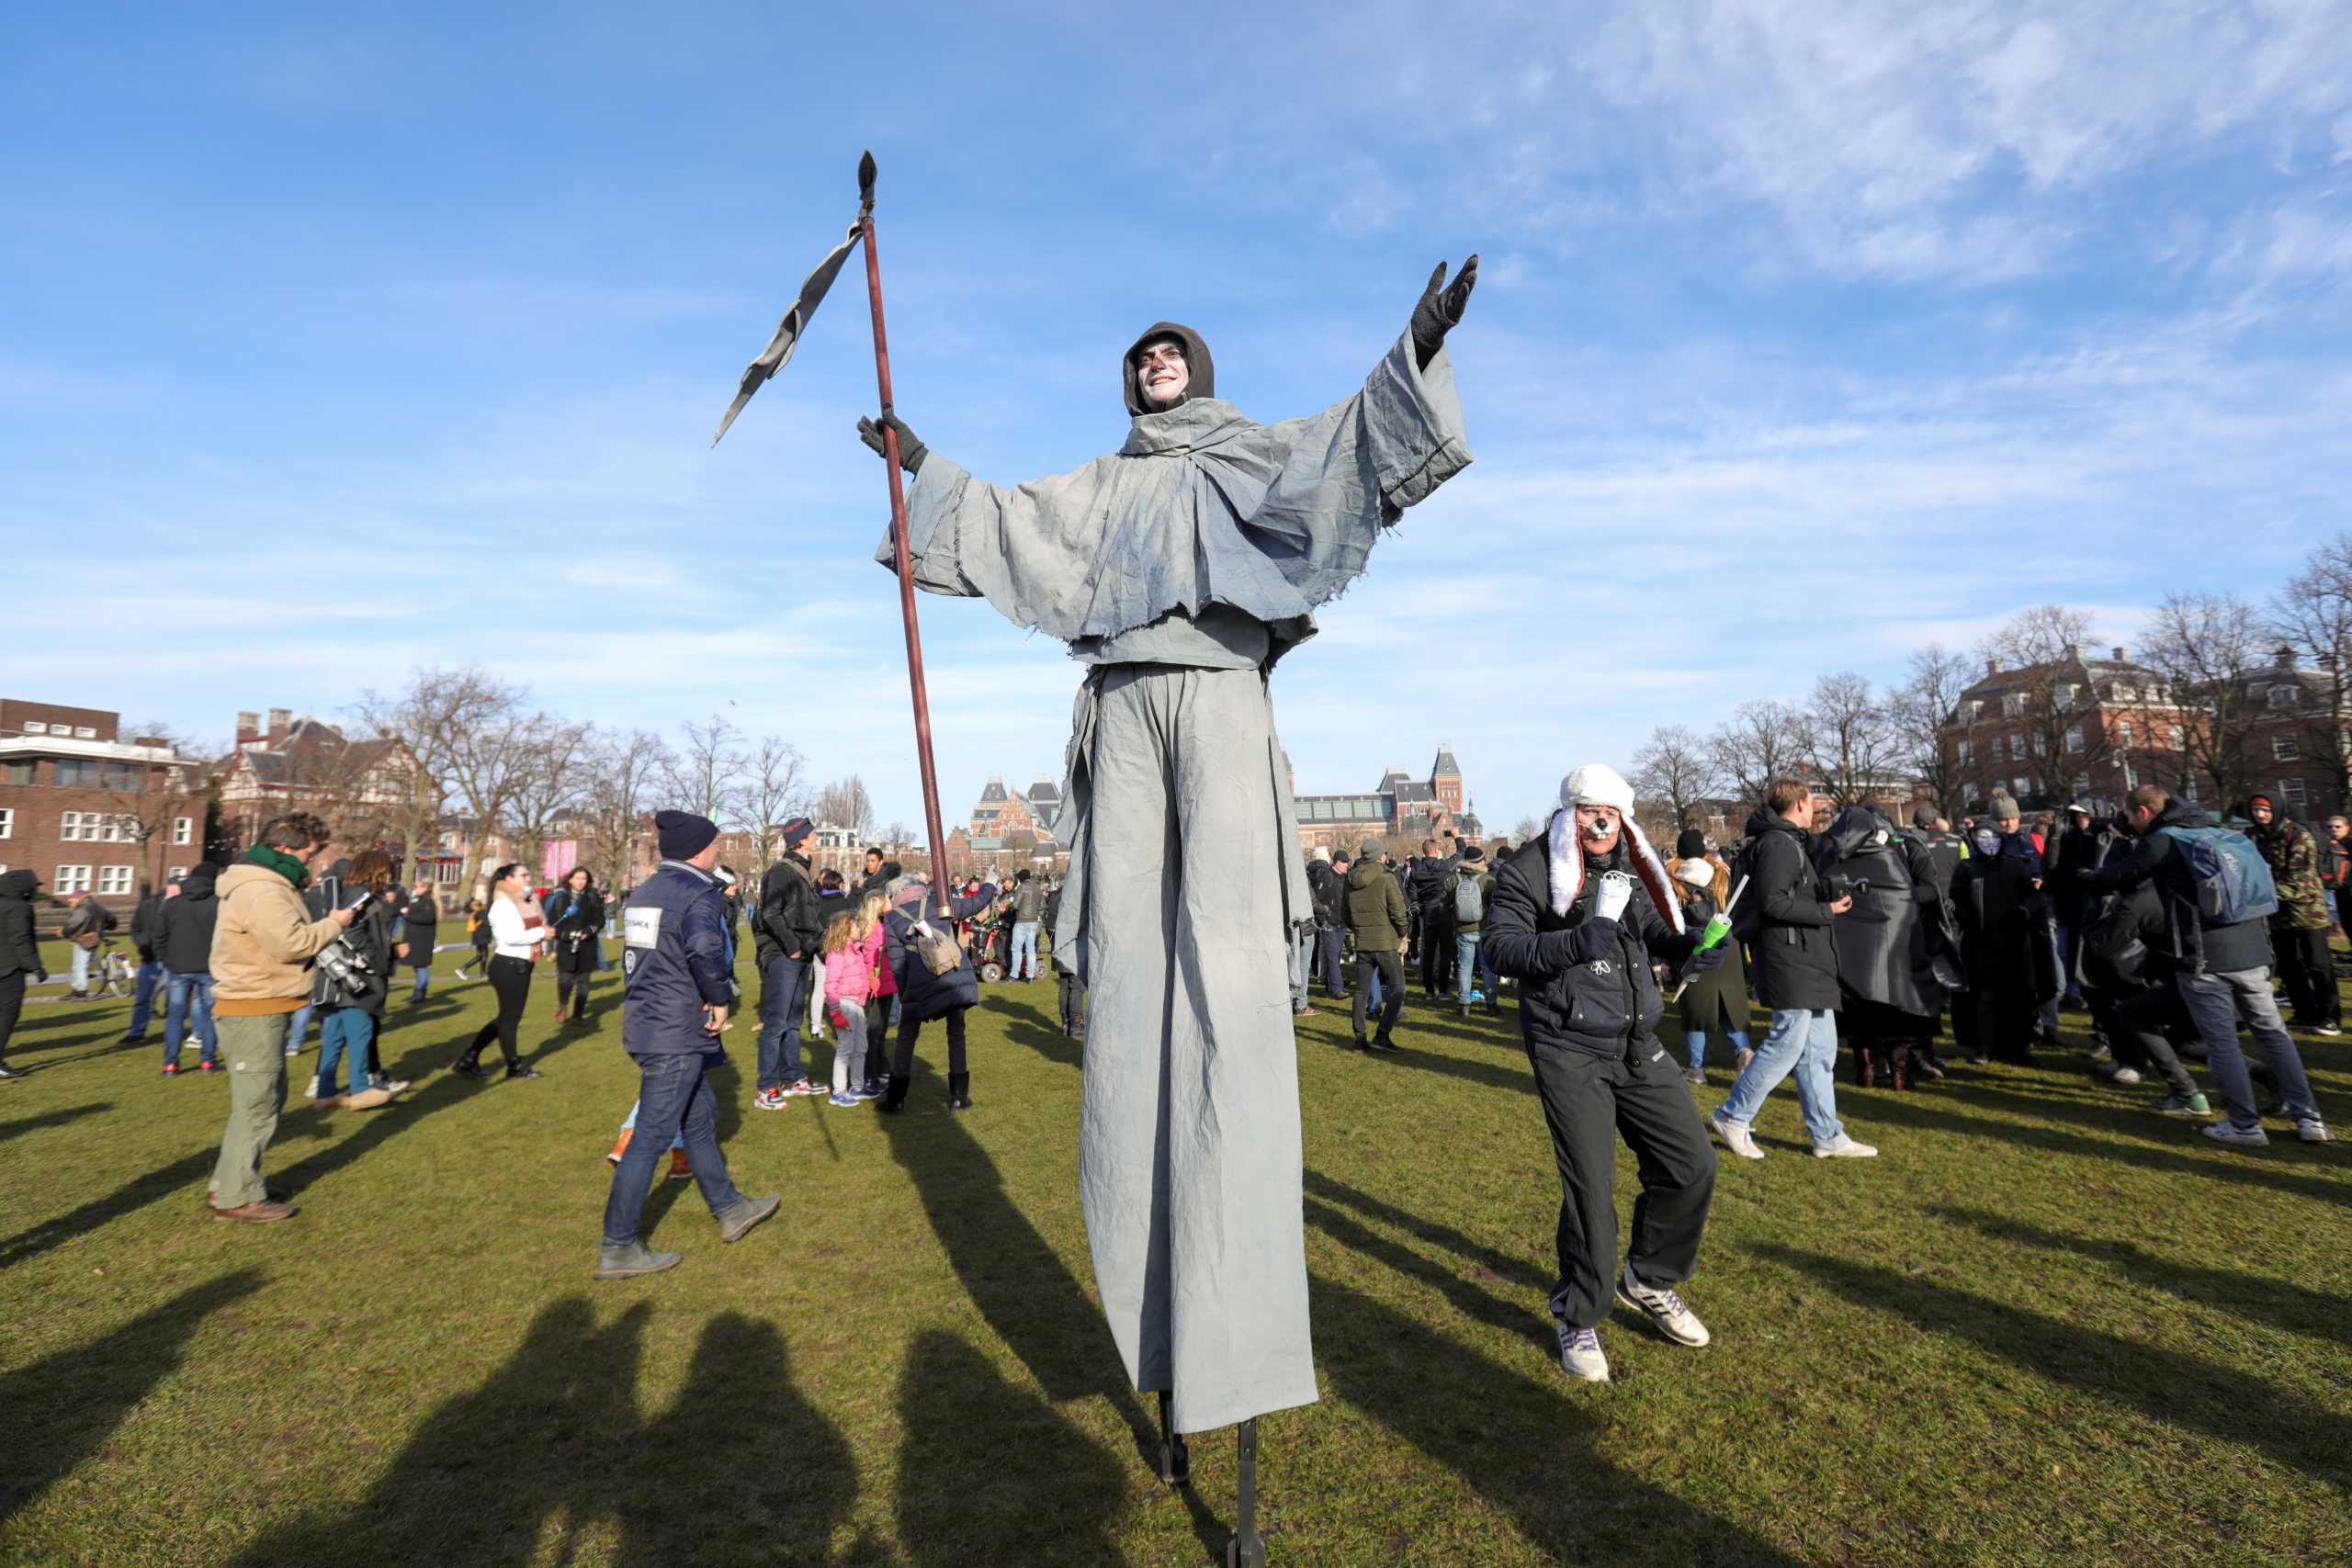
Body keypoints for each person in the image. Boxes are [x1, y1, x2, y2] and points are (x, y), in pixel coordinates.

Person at [863, 255, 1477, 1467]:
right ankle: (1157, 1316)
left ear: (1199, 369)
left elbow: (1352, 445)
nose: (1155, 366)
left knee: (1230, 975)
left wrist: (1410, 350)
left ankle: (1234, 1321)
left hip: (1219, 690)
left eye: (1170, 353)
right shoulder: (1101, 482)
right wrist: (924, 465)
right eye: (1140, 358)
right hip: (1123, 703)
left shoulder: (1251, 450)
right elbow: (1008, 519)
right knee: (1136, 981)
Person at [1482, 763, 1724, 1382]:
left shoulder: (1628, 863)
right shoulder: (1531, 867)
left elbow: (1647, 929)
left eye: (1612, 814)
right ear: (1571, 813)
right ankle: (1578, 1311)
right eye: (1591, 812)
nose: (1600, 823)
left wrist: (1691, 943)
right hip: (1567, 1044)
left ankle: (1649, 1277)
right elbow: (1501, 948)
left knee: (1692, 1163)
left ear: (1623, 818)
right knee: (1592, 1189)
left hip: (1634, 1040)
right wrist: (1573, 942)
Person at [2081, 784, 2328, 1146]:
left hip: (2205, 955)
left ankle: (2244, 1125)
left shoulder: (2163, 839)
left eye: (2132, 817)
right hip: (2255, 951)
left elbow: (2118, 879)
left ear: (2143, 813)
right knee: (2275, 1035)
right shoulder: (2221, 832)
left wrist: (2100, 861)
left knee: (2222, 1042)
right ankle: (2309, 1117)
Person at [595, 809, 779, 1279]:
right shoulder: (697, 892)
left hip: (648, 1023)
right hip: (675, 1030)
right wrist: (719, 999)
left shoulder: (646, 892)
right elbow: (704, 949)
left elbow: (640, 960)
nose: (718, 851)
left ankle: (730, 1207)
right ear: (699, 849)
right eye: (715, 844)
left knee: (699, 1121)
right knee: (651, 1138)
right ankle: (618, 1246)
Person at [1708, 777, 1876, 1161]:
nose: (1816, 806)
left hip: (1807, 960)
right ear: (1799, 803)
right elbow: (1773, 902)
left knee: (1820, 1051)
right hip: (1790, 960)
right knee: (1786, 1044)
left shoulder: (1786, 841)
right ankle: (1733, 1115)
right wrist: (1825, 910)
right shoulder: (1779, 844)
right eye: (1813, 799)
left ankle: (1827, 1134)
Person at [204, 813, 356, 1222]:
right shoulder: (261, 890)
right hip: (254, 1007)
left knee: (260, 1102)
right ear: (285, 849)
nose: (311, 862)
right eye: (309, 853)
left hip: (261, 1005)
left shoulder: (265, 884)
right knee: (257, 1105)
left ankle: (231, 1185)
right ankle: (238, 1197)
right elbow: (291, 944)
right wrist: (334, 924)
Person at [1815, 806, 1951, 1090]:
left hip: (1854, 953)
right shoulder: (1886, 854)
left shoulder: (1831, 854)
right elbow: (1907, 893)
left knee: (1860, 1013)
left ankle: (1867, 1071)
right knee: (1896, 1009)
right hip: (1895, 948)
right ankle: (1899, 1074)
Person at [877, 872, 1000, 1112]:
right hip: (952, 975)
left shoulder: (893, 918)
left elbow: (897, 961)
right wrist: (989, 885)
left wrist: (904, 995)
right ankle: (958, 1097)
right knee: (956, 1034)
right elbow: (975, 904)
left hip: (917, 983)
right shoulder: (939, 901)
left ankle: (896, 1099)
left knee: (905, 1040)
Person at [1950, 795, 2048, 1066]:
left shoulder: (2015, 865)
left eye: (1993, 838)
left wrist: (2024, 913)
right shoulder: (1967, 868)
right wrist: (1967, 917)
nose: (1989, 843)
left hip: (2014, 941)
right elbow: (1956, 899)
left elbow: (2034, 897)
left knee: (2019, 994)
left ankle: (2018, 1045)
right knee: (1983, 996)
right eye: (1983, 839)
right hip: (1980, 942)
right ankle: (1983, 1045)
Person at [311, 849, 402, 1111]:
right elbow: (353, 933)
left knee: (335, 1036)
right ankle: (361, 1088)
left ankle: (325, 1092)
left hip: (337, 976)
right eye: (386, 870)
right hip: (358, 979)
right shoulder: (360, 895)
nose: (389, 876)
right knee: (360, 1032)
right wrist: (376, 961)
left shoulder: (345, 892)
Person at [2246, 794, 2341, 1036]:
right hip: (2278, 915)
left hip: (2309, 913)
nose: (2260, 814)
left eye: (2265, 810)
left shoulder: (2299, 835)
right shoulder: (2257, 837)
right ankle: (2305, 1013)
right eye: (2256, 809)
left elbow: (2300, 880)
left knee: (2318, 965)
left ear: (2276, 810)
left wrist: (2260, 896)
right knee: (2289, 966)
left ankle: (2330, 1016)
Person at [753, 818, 824, 1110]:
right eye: (813, 833)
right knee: (776, 1024)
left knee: (793, 1023)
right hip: (784, 955)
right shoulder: (782, 872)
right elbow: (771, 913)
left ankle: (792, 1077)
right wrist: (793, 947)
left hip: (802, 954)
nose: (817, 836)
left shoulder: (803, 872)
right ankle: (766, 1088)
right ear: (801, 840)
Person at [454, 863, 546, 1080]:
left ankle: (469, 1058)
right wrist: (542, 932)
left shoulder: (522, 902)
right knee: (509, 1019)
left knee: (506, 1018)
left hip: (518, 965)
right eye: (523, 875)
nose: (528, 878)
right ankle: (513, 1065)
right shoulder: (503, 904)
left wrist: (542, 934)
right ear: (508, 879)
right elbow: (510, 937)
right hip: (509, 966)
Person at [1667, 852, 1750, 1086]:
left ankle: (1697, 1069)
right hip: (1726, 953)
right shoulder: (1722, 883)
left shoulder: (1681, 892)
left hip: (1700, 952)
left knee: (1696, 1015)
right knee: (1726, 1010)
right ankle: (1743, 1050)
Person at [157, 862, 223, 1075]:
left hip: (178, 967)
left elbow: (159, 936)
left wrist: (166, 959)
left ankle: (170, 1063)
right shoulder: (219, 904)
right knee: (209, 1014)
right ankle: (207, 1061)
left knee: (175, 1016)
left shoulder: (172, 904)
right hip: (209, 967)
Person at [1345, 839, 1409, 1052]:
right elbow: (1398, 911)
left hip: (1363, 942)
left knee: (1361, 992)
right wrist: (1403, 933)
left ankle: (1359, 1038)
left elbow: (1344, 913)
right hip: (1385, 942)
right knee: (1398, 987)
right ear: (1380, 856)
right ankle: (1382, 1034)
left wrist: (1358, 930)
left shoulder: (1350, 878)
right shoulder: (1386, 878)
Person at [820, 899, 885, 1107]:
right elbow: (831, 985)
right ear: (845, 929)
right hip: (845, 1005)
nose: (859, 928)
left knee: (861, 1046)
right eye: (856, 925)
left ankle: (857, 1087)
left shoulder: (855, 950)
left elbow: (860, 974)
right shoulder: (837, 954)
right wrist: (836, 1011)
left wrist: (870, 983)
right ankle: (838, 1090)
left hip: (856, 1005)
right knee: (846, 1048)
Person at [0, 870, 47, 1079]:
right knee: (8, 1015)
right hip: (9, 970)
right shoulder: (19, 908)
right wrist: (36, 966)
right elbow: (21, 939)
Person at [1442, 843, 1497, 1019]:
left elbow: (1443, 904)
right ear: (1481, 861)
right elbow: (1496, 905)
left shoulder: (1453, 879)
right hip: (1484, 929)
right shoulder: (1488, 880)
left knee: (1465, 967)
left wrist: (1453, 920)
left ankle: (1464, 1004)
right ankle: (1491, 1003)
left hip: (1462, 930)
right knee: (1488, 968)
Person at [547, 866, 606, 1024]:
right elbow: (553, 923)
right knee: (565, 981)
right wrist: (565, 934)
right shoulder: (560, 898)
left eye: (584, 879)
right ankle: (563, 1006)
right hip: (566, 945)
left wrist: (589, 931)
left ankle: (577, 1016)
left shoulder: (593, 897)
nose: (580, 882)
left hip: (587, 945)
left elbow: (600, 921)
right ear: (570, 879)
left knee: (584, 983)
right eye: (577, 878)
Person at [118, 878, 171, 1043]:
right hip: (151, 958)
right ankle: (137, 1032)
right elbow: (135, 928)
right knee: (143, 998)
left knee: (175, 1001)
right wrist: (143, 944)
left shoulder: (181, 905)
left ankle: (175, 1033)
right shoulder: (147, 905)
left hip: (172, 959)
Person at [1043, 875, 1087, 1039]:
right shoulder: (1074, 899)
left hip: (1058, 947)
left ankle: (1066, 1023)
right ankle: (1075, 1026)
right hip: (1072, 947)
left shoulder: (1054, 897)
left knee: (1064, 987)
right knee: (1076, 988)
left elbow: (1047, 921)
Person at [1306, 847, 1351, 1003]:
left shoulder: (1346, 877)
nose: (1347, 865)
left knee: (1336, 955)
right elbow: (1316, 900)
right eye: (1344, 862)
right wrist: (1323, 920)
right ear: (1336, 862)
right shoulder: (1326, 877)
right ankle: (1337, 989)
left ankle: (1329, 984)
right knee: (1333, 957)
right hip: (1329, 923)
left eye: (1348, 862)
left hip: (1341, 923)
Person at [61, 889, 116, 999]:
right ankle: (77, 989)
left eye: (72, 900)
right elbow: (112, 920)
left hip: (84, 940)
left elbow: (72, 924)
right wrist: (107, 927)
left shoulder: (83, 909)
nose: (70, 902)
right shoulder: (98, 907)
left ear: (78, 898)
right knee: (80, 965)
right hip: (95, 939)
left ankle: (81, 991)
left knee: (80, 966)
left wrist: (64, 931)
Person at [401, 879, 439, 1004]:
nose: (414, 888)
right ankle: (418, 993)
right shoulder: (417, 899)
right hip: (415, 938)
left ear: (425, 888)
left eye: (416, 886)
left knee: (421, 966)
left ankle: (419, 993)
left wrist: (408, 916)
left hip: (422, 939)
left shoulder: (427, 901)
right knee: (417, 966)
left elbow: (428, 918)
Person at [1007, 869, 1046, 982]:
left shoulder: (1021, 887)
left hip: (1022, 921)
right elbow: (1043, 905)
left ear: (1021, 878)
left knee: (1016, 948)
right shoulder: (1038, 888)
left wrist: (1009, 907)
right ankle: (1030, 976)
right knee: (1031, 949)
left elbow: (1015, 905)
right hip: (1033, 921)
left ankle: (1014, 974)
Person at [455, 897, 492, 979]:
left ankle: (482, 973)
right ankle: (463, 969)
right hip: (482, 936)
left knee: (481, 955)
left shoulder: (475, 913)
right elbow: (487, 922)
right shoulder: (482, 913)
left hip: (478, 936)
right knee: (483, 955)